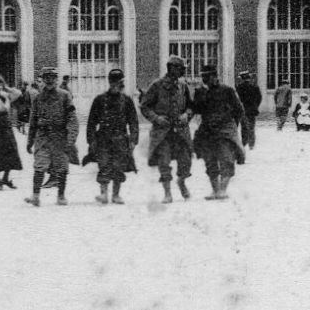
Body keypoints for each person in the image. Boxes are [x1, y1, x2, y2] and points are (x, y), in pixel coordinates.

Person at [140, 55, 196, 203]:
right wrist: (156, 118)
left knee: (185, 160)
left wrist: (186, 115)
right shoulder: (157, 85)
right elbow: (144, 106)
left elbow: (191, 106)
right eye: (180, 68)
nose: (183, 72)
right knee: (163, 162)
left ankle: (182, 182)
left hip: (181, 131)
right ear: (171, 68)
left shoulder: (183, 86)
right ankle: (167, 193)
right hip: (163, 132)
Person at [191, 64, 246, 200]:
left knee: (226, 160)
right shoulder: (202, 92)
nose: (205, 80)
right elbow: (197, 109)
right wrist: (197, 97)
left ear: (215, 77)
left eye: (207, 77)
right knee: (210, 161)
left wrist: (232, 127)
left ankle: (222, 190)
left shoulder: (227, 91)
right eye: (203, 77)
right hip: (207, 131)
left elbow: (239, 110)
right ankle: (215, 190)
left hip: (224, 131)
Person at [84, 68, 139, 204]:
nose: (117, 85)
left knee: (118, 167)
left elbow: (133, 121)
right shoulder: (100, 100)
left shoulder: (126, 100)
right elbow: (91, 122)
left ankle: (116, 195)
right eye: (114, 82)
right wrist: (91, 140)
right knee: (104, 165)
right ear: (110, 82)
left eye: (120, 82)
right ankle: (103, 194)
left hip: (120, 138)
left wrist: (133, 140)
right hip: (103, 138)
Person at [25, 66, 78, 206]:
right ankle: (35, 196)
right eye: (46, 77)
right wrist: (29, 141)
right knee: (39, 165)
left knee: (62, 167)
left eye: (52, 77)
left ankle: (61, 196)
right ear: (42, 80)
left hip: (60, 136)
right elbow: (33, 120)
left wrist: (71, 138)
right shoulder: (38, 98)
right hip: (43, 136)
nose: (49, 80)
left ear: (56, 79)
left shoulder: (65, 95)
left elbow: (72, 119)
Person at [236, 70, 263, 150]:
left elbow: (238, 99)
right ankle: (251, 144)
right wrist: (255, 106)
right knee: (251, 127)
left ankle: (244, 142)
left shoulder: (239, 88)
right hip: (252, 110)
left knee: (244, 127)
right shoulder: (254, 87)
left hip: (243, 110)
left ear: (242, 78)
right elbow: (259, 98)